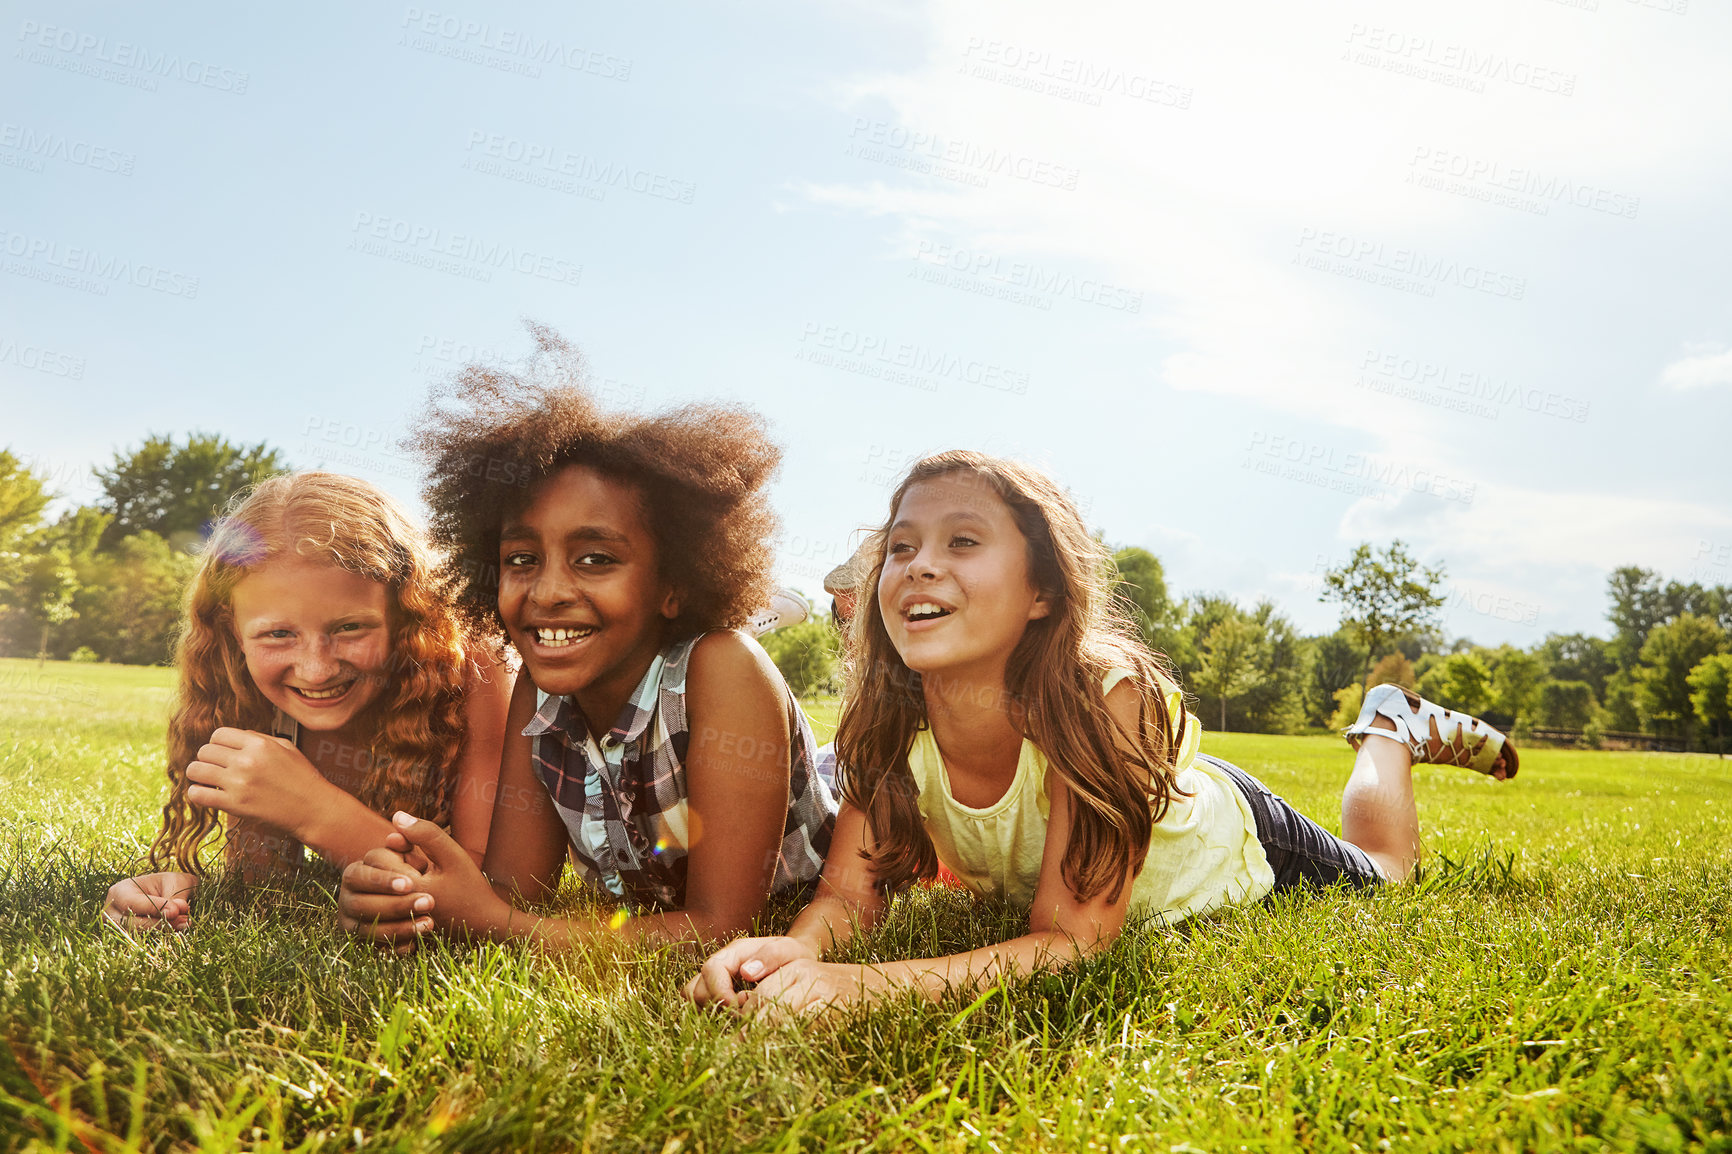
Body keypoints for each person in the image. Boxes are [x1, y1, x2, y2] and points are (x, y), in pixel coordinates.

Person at [684, 450, 1516, 1015]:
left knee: (1388, 873)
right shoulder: (886, 717)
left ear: (1043, 590)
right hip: (1133, 792)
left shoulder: (1106, 695)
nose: (919, 565)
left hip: (1235, 841)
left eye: (962, 541)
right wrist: (785, 959)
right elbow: (844, 898)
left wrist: (859, 990)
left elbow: (1073, 938)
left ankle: (1388, 729)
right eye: (900, 548)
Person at [336, 328, 835, 950]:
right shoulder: (539, 695)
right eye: (521, 559)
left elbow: (721, 926)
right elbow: (516, 897)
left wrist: (496, 924)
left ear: (674, 583)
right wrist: (412, 900)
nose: (546, 592)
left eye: (595, 559)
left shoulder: (722, 670)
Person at [102, 472, 512, 931]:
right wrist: (178, 897)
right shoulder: (248, 688)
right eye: (278, 634)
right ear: (233, 632)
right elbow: (263, 882)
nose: (315, 670)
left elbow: (488, 895)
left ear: (405, 617)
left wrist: (316, 810)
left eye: (350, 628)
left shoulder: (474, 664)